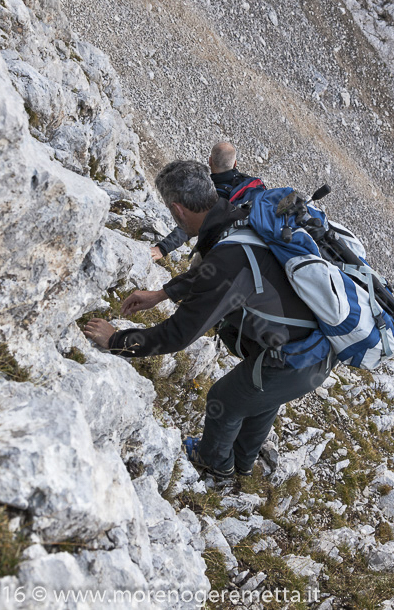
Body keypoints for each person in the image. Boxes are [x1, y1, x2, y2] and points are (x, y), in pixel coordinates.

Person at [83, 160, 335, 479]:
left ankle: (215, 466)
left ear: (177, 210)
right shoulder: (240, 214)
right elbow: (219, 273)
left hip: (298, 360)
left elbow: (179, 334)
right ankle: (243, 465)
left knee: (225, 400)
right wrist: (164, 293)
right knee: (259, 400)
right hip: (316, 350)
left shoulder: (227, 255)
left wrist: (117, 341)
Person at [150, 142, 262, 260]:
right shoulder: (250, 184)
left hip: (223, 253)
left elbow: (191, 221)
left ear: (210, 161)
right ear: (235, 163)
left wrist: (162, 248)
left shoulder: (209, 191)